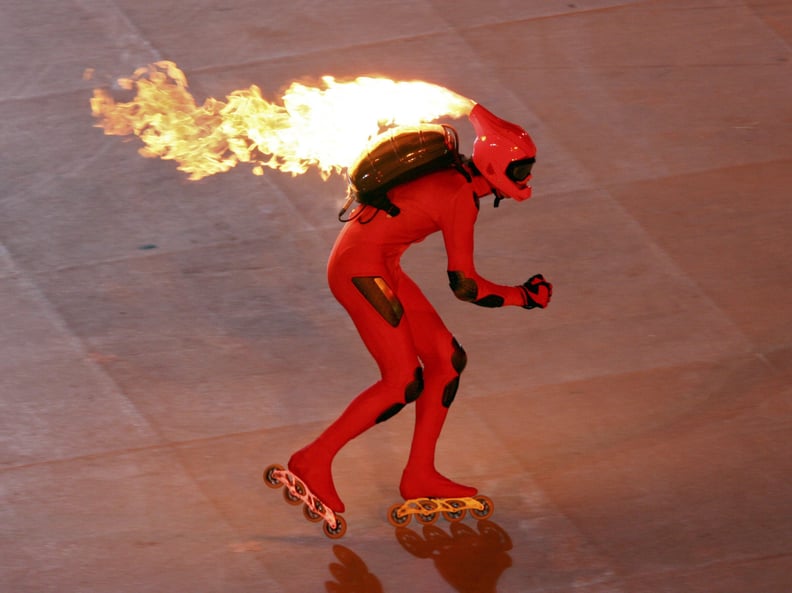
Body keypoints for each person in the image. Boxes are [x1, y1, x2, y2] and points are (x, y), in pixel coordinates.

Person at [288, 104, 552, 513]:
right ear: (497, 166)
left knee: (446, 361)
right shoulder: (461, 197)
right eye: (520, 170)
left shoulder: (457, 179)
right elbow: (466, 286)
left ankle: (419, 474)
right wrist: (523, 296)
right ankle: (312, 459)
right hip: (360, 272)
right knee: (402, 381)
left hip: (379, 264)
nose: (527, 178)